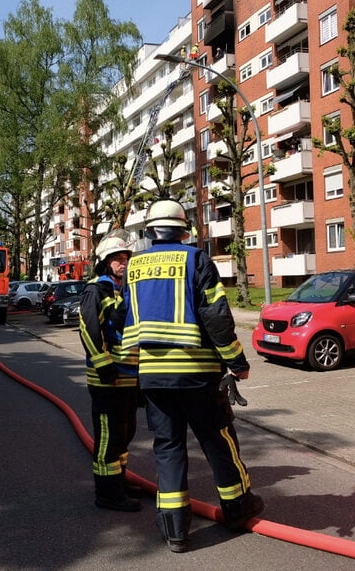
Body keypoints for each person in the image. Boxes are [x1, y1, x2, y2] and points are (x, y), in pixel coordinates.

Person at [122, 198, 264, 553]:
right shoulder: (196, 259)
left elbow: (128, 318)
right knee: (218, 439)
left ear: (150, 230)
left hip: (153, 376)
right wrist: (237, 362)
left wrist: (131, 372)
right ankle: (236, 508)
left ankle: (175, 531)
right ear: (184, 229)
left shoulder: (134, 266)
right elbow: (216, 315)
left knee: (168, 449)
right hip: (197, 373)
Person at [78, 230, 140, 512]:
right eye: (118, 258)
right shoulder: (96, 289)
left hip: (128, 377)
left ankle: (120, 482)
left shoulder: (123, 289)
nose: (124, 263)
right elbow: (89, 329)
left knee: (125, 432)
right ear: (105, 261)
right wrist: (103, 365)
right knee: (108, 436)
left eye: (126, 257)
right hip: (107, 378)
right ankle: (107, 493)